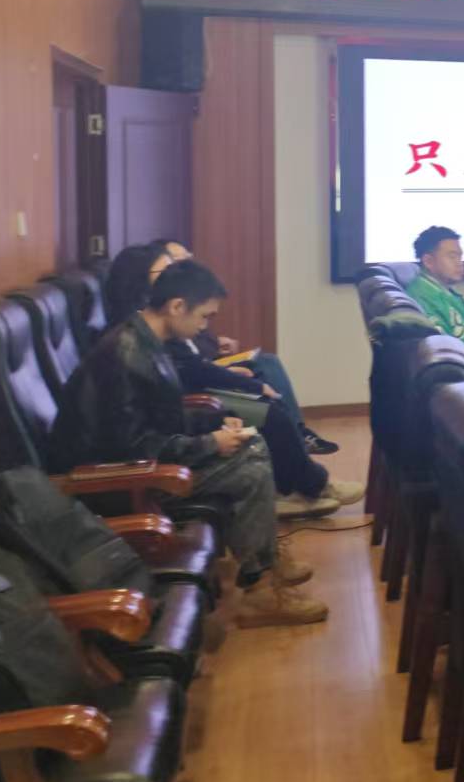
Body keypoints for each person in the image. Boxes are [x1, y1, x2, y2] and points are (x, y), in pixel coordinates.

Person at [49, 261, 326, 627]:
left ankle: (263, 568)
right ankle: (260, 584)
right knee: (251, 460)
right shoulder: (126, 357)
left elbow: (162, 418)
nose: (205, 327)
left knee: (250, 447)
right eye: (204, 316)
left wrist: (215, 423)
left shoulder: (145, 340)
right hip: (116, 483)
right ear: (177, 306)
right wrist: (209, 444)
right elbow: (136, 448)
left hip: (136, 465)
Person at [142, 246, 362, 516]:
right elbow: (147, 437)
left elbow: (188, 376)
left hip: (199, 399)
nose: (203, 325)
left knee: (268, 392)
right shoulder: (139, 347)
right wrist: (213, 437)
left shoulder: (156, 333)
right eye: (167, 266)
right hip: (199, 401)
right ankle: (306, 486)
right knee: (268, 417)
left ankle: (301, 482)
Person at [143, 238, 339, 456]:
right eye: (171, 266)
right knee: (269, 412)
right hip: (201, 392)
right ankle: (299, 448)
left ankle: (298, 434)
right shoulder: (151, 334)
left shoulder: (165, 323)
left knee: (267, 366)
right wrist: (213, 438)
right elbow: (191, 371)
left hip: (208, 372)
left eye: (185, 260)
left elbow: (200, 349)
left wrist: (218, 347)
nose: (179, 269)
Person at [405, 226, 464, 361]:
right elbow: (443, 351)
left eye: (460, 257)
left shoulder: (447, 293)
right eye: (452, 257)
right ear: (428, 261)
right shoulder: (422, 297)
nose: (460, 263)